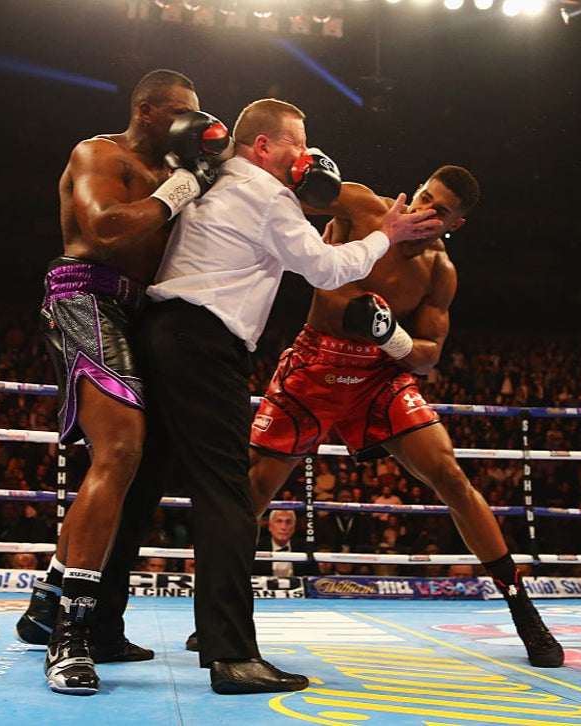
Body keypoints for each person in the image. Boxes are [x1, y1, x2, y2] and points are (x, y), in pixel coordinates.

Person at [140, 97, 444, 694]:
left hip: (163, 332)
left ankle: (89, 623)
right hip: (205, 343)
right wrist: (385, 235)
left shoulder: (214, 175)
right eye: (296, 144)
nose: (307, 155)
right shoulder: (269, 195)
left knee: (141, 483)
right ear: (263, 147)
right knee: (229, 497)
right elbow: (327, 270)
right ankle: (231, 655)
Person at [246, 167, 565, 668]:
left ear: (455, 225)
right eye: (424, 196)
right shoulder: (361, 206)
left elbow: (429, 354)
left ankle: (524, 612)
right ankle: (221, 613)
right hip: (316, 363)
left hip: (379, 374)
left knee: (450, 475)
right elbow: (286, 201)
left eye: (440, 211)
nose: (424, 211)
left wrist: (390, 335)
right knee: (254, 488)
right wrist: (304, 172)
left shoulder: (439, 271)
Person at [13, 69, 233, 695]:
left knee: (141, 464)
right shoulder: (100, 153)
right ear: (147, 111)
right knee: (120, 449)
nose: (193, 123)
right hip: (85, 293)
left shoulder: (181, 170)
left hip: (145, 311)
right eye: (182, 112)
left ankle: (48, 600)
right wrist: (180, 190)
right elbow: (104, 226)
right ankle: (70, 634)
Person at [253, 510, 315, 577]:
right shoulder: (258, 547)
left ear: (294, 527)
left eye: (288, 522)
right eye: (279, 521)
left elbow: (313, 577)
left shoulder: (305, 548)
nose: (283, 527)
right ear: (270, 526)